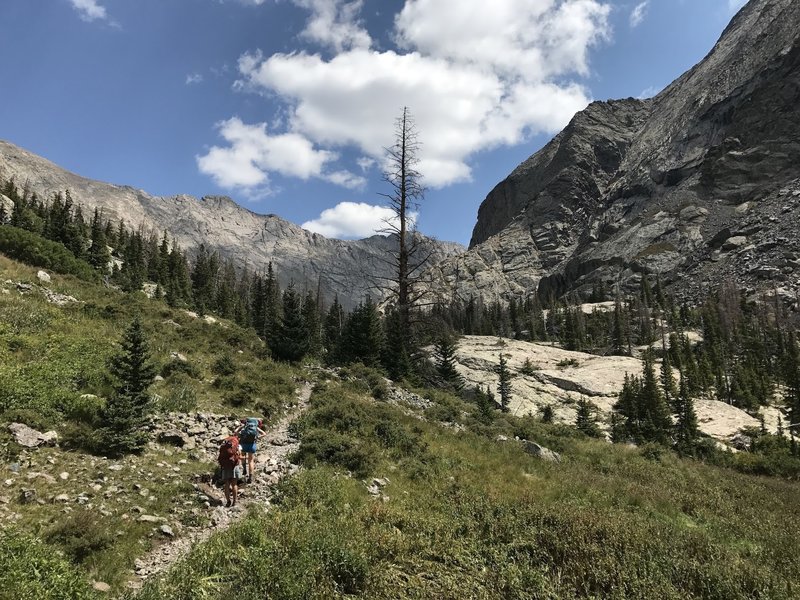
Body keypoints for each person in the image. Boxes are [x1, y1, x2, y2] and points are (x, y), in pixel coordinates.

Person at [235, 417, 267, 483]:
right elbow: (264, 434)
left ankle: (244, 469)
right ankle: (250, 477)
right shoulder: (256, 428)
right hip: (252, 445)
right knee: (251, 461)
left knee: (243, 457)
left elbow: (235, 432)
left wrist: (241, 427)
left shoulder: (244, 427)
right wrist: (257, 437)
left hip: (243, 444)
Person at [218, 435, 242, 507]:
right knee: (234, 484)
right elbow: (239, 454)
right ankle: (234, 502)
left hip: (226, 465)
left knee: (227, 484)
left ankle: (228, 501)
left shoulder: (224, 444)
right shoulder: (237, 444)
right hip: (234, 465)